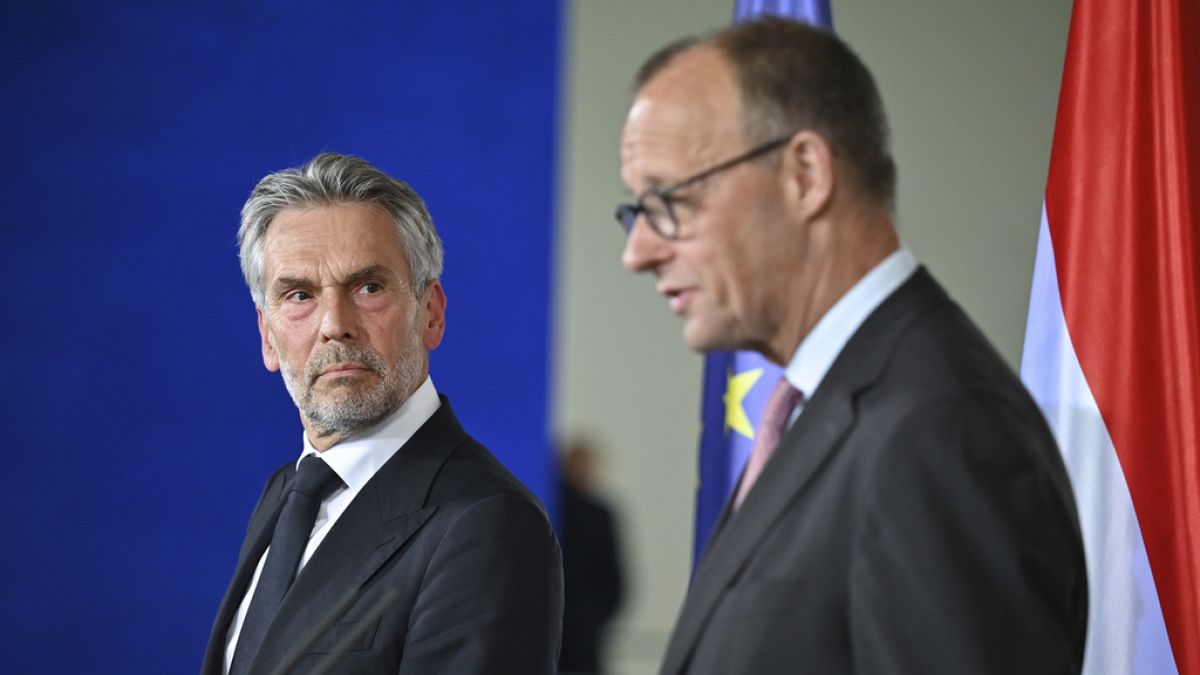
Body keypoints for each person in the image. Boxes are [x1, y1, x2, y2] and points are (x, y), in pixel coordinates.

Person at [616, 18, 1087, 675]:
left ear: (805, 174)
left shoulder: (941, 430)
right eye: (635, 210)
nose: (637, 253)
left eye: (670, 200)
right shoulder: (823, 411)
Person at [202, 153, 562, 675]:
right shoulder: (285, 493)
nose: (334, 324)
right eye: (299, 295)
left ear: (430, 314)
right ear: (267, 336)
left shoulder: (488, 523)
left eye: (368, 287)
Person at [558, 439, 625, 674]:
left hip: (582, 629)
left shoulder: (597, 514)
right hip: (577, 628)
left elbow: (614, 581)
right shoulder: (593, 514)